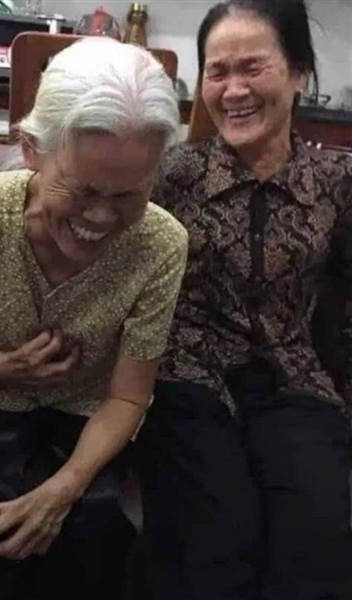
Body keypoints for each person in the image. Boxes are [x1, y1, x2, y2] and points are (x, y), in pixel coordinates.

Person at [0, 37, 188, 600]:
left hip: (90, 409)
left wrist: (65, 488)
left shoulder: (162, 243)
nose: (102, 217)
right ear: (31, 149)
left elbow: (128, 397)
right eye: (83, 189)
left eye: (129, 195)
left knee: (96, 519)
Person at [136, 1, 352, 599]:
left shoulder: (336, 183)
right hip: (186, 379)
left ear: (300, 72)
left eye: (252, 68)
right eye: (217, 71)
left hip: (294, 382)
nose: (233, 91)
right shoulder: (171, 175)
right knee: (214, 541)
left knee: (316, 539)